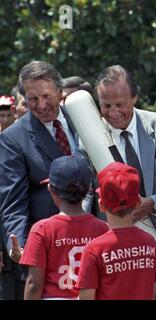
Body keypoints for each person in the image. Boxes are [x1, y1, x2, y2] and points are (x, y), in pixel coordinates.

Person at [0, 61, 86, 300]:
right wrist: (19, 246)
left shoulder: (85, 120)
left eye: (46, 96)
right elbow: (12, 203)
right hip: (52, 254)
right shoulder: (13, 140)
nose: (41, 105)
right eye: (32, 99)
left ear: (60, 92)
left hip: (95, 241)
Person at [95, 65, 156, 262]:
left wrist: (153, 204)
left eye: (120, 104)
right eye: (106, 106)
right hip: (118, 250)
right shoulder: (89, 140)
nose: (113, 113)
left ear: (134, 97)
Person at [19, 156, 108, 300]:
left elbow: (34, 284)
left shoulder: (41, 229)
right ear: (88, 190)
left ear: (51, 189)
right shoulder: (103, 228)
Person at [77, 162, 156, 300]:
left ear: (101, 205)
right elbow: (153, 291)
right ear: (138, 203)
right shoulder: (149, 242)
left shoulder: (94, 249)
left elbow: (86, 297)